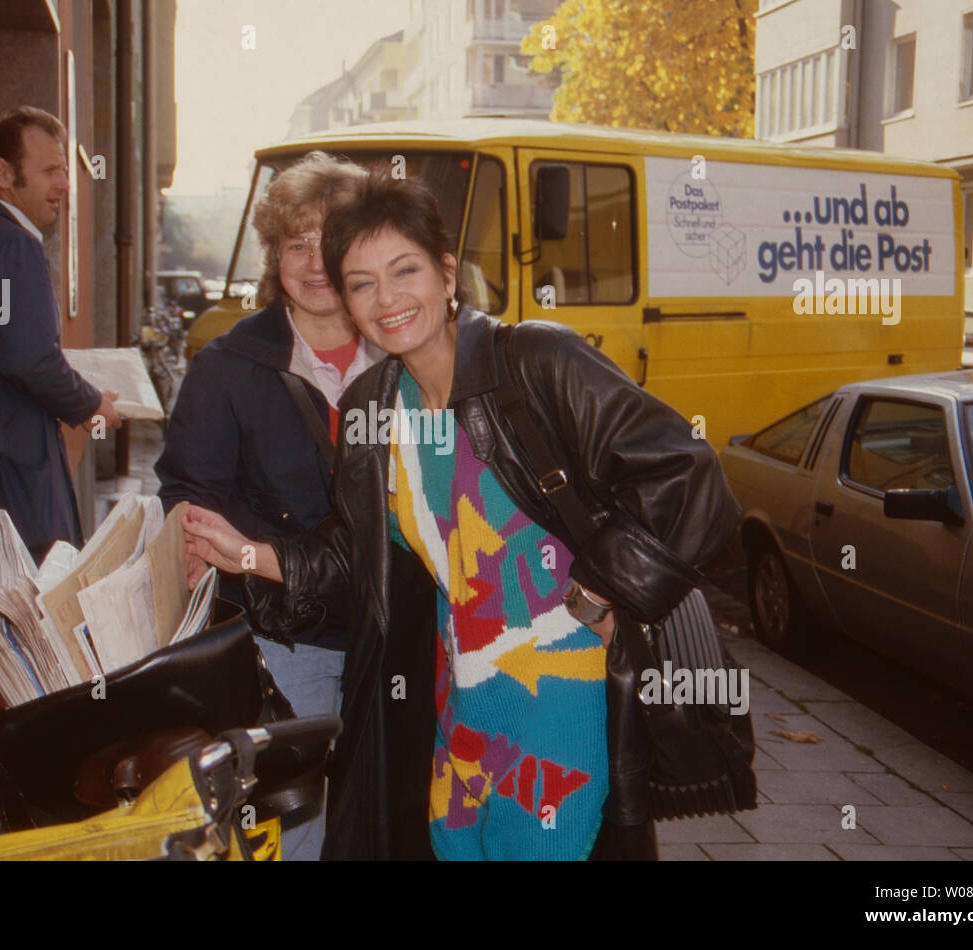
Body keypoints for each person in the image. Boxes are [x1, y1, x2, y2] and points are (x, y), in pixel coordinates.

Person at [183, 169, 741, 860]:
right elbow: (359, 550)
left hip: (560, 699)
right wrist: (243, 553)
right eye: (362, 283)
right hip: (460, 704)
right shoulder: (374, 406)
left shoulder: (535, 361)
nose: (386, 298)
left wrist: (598, 590)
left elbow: (689, 475)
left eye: (404, 270)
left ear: (448, 274)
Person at [154, 151, 381, 860]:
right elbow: (190, 496)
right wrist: (200, 543)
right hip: (291, 644)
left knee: (388, 820)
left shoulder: (404, 352)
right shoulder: (227, 367)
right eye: (296, 244)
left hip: (398, 635)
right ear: (273, 257)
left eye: (332, 241)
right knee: (295, 829)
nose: (315, 263)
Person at [0, 106, 120, 563]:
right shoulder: (16, 244)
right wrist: (90, 404)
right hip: (21, 467)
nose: (64, 184)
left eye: (65, 171)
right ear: (3, 173)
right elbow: (29, 359)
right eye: (49, 171)